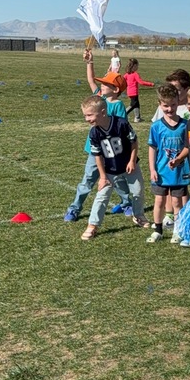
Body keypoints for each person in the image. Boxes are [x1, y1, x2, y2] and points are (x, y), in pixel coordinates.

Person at [64, 50, 132, 222]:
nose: (101, 85)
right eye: (101, 83)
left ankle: (127, 204)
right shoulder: (97, 98)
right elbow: (90, 79)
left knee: (118, 180)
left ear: (116, 89)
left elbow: (121, 128)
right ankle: (74, 209)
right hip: (94, 152)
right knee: (87, 180)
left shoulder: (118, 105)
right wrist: (90, 62)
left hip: (113, 152)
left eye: (105, 83)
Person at [80, 95, 150, 240]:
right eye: (85, 115)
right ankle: (92, 225)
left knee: (138, 191)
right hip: (109, 169)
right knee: (102, 196)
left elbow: (134, 142)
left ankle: (138, 215)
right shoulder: (94, 132)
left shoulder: (121, 123)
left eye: (90, 115)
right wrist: (103, 176)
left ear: (103, 112)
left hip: (129, 165)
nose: (87, 119)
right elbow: (97, 155)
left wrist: (132, 161)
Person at [146, 84, 190, 243]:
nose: (170, 109)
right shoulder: (156, 126)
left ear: (178, 102)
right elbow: (152, 149)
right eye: (165, 105)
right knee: (159, 201)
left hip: (179, 172)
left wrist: (180, 160)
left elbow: (188, 147)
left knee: (177, 202)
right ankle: (158, 230)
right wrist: (152, 169)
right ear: (159, 104)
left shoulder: (186, 125)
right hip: (161, 171)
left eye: (173, 105)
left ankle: (178, 231)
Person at [124, 57, 155, 122]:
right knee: (132, 105)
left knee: (136, 105)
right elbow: (141, 82)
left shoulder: (127, 74)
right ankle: (123, 114)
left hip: (129, 92)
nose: (137, 67)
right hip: (134, 92)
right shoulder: (135, 74)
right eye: (137, 66)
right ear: (134, 66)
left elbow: (122, 80)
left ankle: (137, 118)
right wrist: (150, 84)